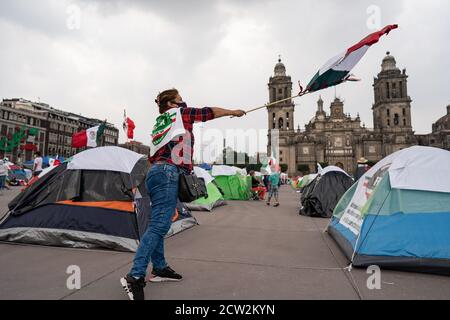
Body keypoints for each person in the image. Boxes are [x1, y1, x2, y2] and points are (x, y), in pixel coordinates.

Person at [120, 88, 246, 300]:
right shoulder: (181, 114)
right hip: (168, 172)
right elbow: (208, 112)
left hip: (157, 172)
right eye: (180, 100)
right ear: (171, 104)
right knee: (159, 225)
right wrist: (233, 111)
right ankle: (134, 277)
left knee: (157, 223)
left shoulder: (161, 123)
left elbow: (152, 156)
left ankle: (159, 268)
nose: (183, 102)